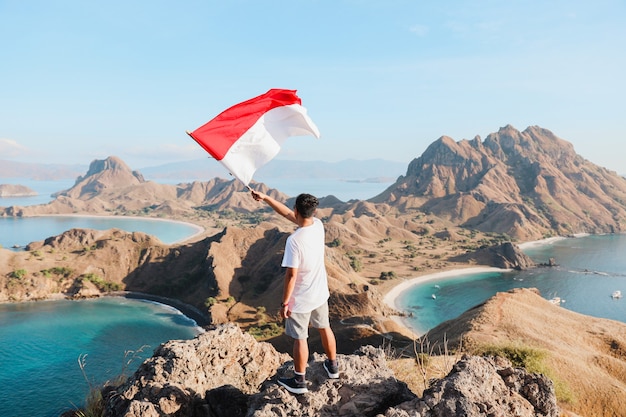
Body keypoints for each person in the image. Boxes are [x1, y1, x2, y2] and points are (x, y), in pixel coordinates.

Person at [251, 190, 339, 394]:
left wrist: (285, 303)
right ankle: (332, 367)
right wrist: (266, 198)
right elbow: (288, 215)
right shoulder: (318, 225)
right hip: (319, 292)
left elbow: (291, 275)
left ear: (296, 209)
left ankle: (299, 382)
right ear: (313, 211)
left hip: (300, 299)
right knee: (325, 327)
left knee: (301, 338)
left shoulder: (294, 240)